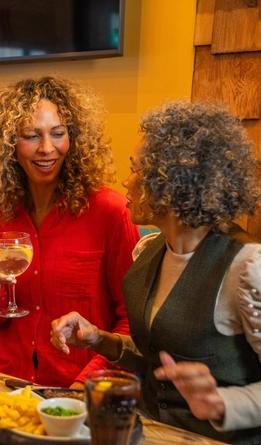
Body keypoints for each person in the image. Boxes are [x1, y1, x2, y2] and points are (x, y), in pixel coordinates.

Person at [51, 99, 261, 444]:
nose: (125, 180)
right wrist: (99, 339)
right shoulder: (149, 251)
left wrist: (222, 403)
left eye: (135, 169)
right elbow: (160, 356)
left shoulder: (246, 268)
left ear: (171, 183)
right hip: (149, 432)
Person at [0, 75, 140, 388]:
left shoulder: (111, 213)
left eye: (58, 134)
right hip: (7, 378)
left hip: (79, 385)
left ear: (73, 139)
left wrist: (84, 383)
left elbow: (133, 323)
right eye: (31, 136)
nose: (47, 149)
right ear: (9, 144)